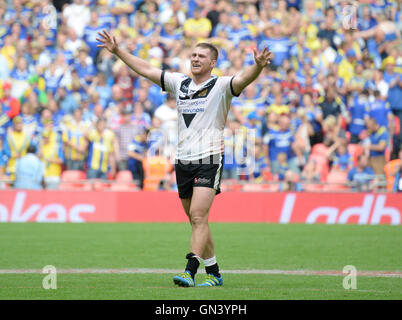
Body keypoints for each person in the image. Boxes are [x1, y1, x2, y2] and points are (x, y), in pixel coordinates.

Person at [97, 30, 272, 287]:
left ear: (213, 62)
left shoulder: (222, 85)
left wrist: (257, 66)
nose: (195, 58)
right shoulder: (180, 83)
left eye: (201, 56)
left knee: (199, 216)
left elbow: (244, 78)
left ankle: (190, 270)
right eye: (193, 55)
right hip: (183, 160)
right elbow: (146, 69)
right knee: (196, 219)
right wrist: (118, 51)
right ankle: (214, 274)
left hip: (209, 157)